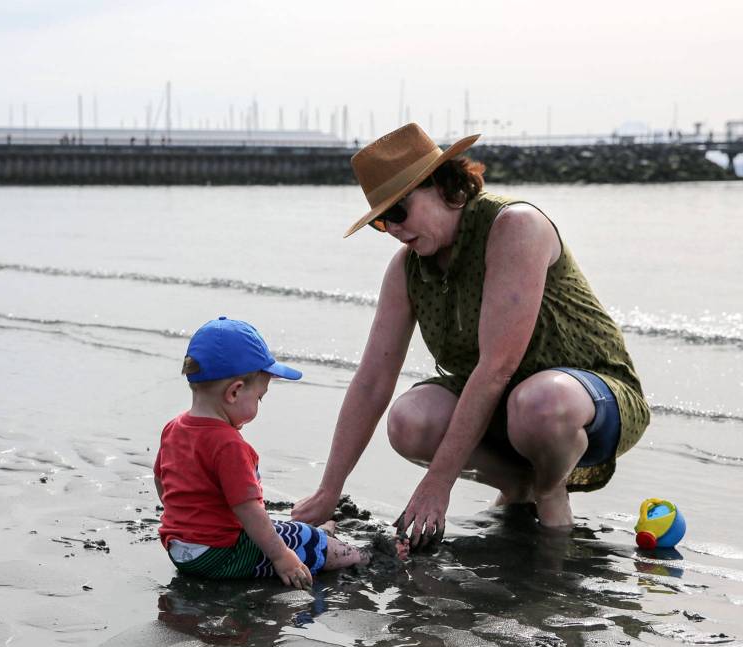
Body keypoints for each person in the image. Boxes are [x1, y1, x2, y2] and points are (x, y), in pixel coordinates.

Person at [291, 123, 650, 546]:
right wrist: (329, 490)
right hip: (501, 408)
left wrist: (436, 485)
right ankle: (519, 486)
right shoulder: (407, 269)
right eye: (382, 222)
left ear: (446, 187)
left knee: (537, 402)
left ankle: (551, 489)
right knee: (409, 420)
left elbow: (498, 367)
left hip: (586, 398)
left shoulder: (514, 225)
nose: (394, 229)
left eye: (399, 211)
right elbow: (372, 380)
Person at [154, 317, 405, 589]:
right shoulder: (228, 444)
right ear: (235, 392)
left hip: (180, 551)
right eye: (260, 397)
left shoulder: (174, 429)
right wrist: (281, 556)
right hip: (221, 557)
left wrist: (188, 523)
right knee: (301, 538)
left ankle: (322, 537)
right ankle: (363, 556)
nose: (260, 403)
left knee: (274, 527)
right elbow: (248, 510)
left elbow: (162, 480)